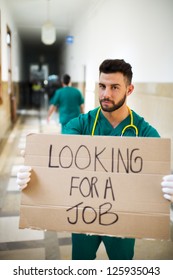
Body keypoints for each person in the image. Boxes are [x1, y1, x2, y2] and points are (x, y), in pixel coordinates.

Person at [17, 59, 173, 260]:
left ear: (130, 89)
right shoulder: (80, 125)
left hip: (123, 221)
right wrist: (34, 175)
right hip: (82, 216)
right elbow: (59, 163)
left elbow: (156, 177)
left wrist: (168, 190)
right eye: (102, 86)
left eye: (114, 87)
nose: (106, 94)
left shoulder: (144, 133)